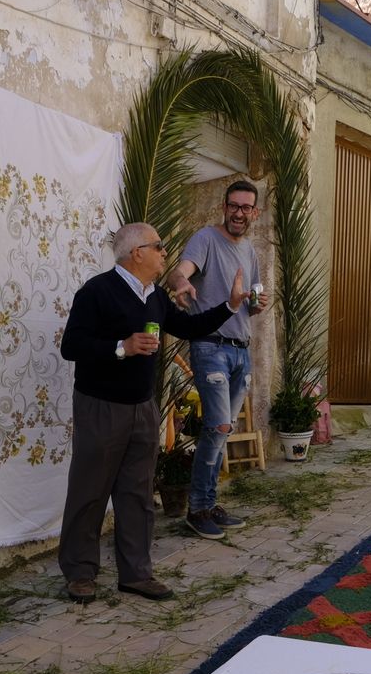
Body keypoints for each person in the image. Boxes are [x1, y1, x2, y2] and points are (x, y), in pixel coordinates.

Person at [59, 222, 246, 603]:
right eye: (158, 246)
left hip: (143, 407)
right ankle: (80, 573)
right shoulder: (97, 291)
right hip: (101, 406)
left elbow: (191, 327)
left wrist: (230, 305)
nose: (165, 252)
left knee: (138, 494)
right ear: (136, 252)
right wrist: (120, 347)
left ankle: (136, 573)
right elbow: (71, 344)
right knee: (89, 491)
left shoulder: (156, 298)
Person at [166, 180, 272, 541]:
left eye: (247, 207)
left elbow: (250, 303)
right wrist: (181, 283)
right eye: (234, 206)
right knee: (218, 426)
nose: (240, 213)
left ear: (255, 213)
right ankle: (197, 509)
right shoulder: (205, 240)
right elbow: (180, 271)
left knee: (222, 432)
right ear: (224, 207)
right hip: (210, 346)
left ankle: (209, 505)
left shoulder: (251, 253)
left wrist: (257, 305)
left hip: (241, 349)